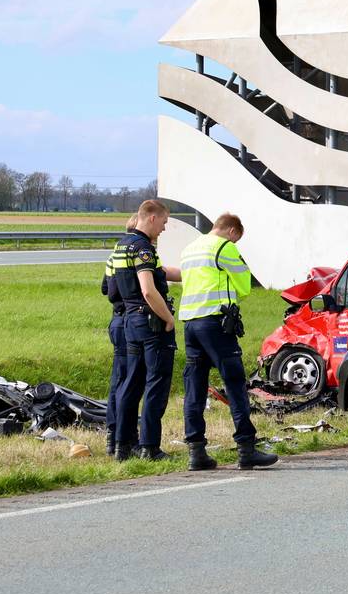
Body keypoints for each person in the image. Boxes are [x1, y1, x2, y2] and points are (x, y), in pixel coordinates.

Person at [178, 213, 277, 471]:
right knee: (234, 384)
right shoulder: (225, 247)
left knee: (195, 387)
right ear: (232, 231)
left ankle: (196, 452)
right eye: (238, 238)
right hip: (216, 324)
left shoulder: (189, 249)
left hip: (191, 324)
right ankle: (246, 448)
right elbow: (244, 285)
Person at [110, 200, 181, 461]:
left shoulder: (121, 245)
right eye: (163, 223)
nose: (163, 229)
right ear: (151, 218)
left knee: (131, 383)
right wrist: (168, 319)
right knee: (156, 384)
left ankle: (122, 445)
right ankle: (150, 447)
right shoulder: (143, 249)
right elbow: (148, 290)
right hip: (150, 323)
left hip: (130, 321)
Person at [99, 215, 138, 455]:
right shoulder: (134, 253)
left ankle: (113, 437)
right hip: (128, 320)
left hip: (116, 319)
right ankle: (125, 438)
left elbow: (105, 288)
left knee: (118, 381)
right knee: (129, 382)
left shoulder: (114, 254)